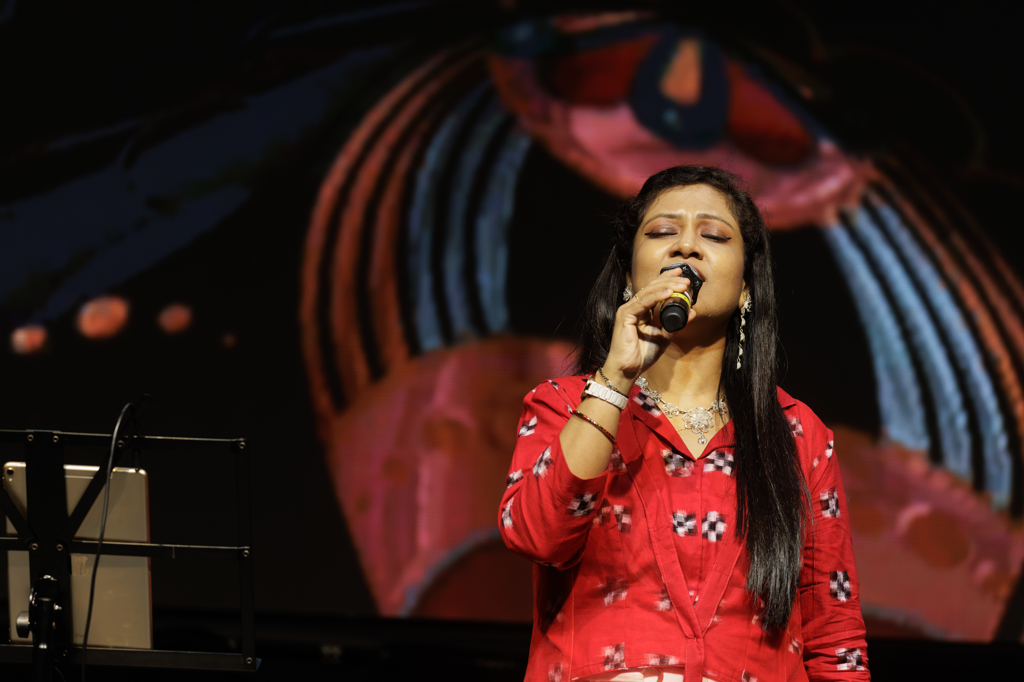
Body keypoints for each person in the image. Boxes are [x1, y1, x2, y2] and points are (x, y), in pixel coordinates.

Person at [499, 166, 869, 682]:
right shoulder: (564, 405)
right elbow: (538, 537)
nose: (686, 247)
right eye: (662, 232)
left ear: (746, 286)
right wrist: (615, 378)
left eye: (714, 235)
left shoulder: (798, 435)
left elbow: (834, 638)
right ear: (629, 277)